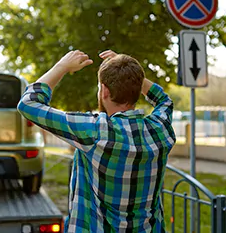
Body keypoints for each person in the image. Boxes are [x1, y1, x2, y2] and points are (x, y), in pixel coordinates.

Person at [17, 49, 176, 232]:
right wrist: (133, 77)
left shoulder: (95, 131)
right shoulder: (159, 129)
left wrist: (61, 66)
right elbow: (164, 100)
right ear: (137, 90)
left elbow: (28, 104)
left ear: (105, 92)